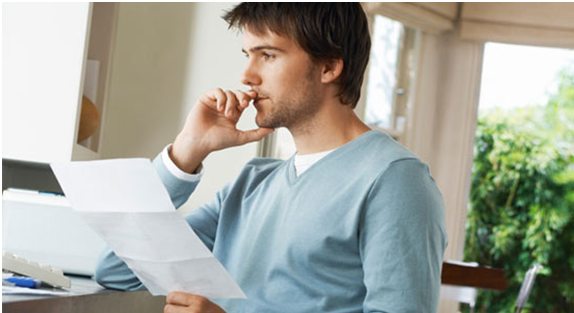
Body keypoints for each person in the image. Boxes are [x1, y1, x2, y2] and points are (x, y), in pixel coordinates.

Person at [94, 3, 447, 313]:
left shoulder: (395, 180)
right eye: (247, 55)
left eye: (268, 55)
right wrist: (186, 151)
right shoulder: (252, 183)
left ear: (329, 67)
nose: (247, 76)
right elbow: (117, 270)